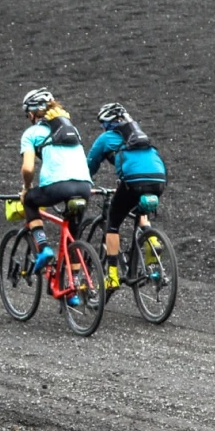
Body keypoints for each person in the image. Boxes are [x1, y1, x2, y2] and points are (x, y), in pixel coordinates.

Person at [87, 102, 167, 289]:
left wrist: (84, 184)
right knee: (140, 208)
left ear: (106, 124)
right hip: (158, 180)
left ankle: (112, 276)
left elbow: (90, 166)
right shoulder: (140, 135)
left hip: (133, 182)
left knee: (113, 224)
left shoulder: (106, 138)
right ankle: (151, 241)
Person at [17, 87, 94, 277]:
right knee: (72, 236)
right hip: (84, 185)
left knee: (29, 201)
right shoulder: (71, 129)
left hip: (58, 186)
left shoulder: (31, 133)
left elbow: (27, 168)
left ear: (33, 113)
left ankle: (43, 248)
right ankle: (73, 287)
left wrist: (27, 188)